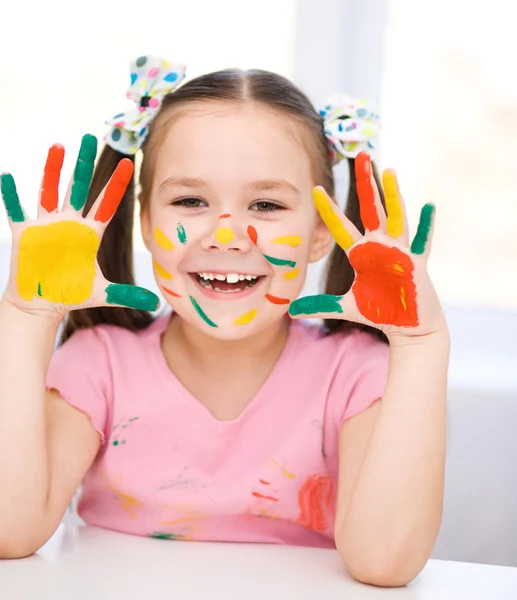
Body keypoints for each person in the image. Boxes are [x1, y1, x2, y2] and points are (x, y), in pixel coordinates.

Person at [0, 55, 449, 587]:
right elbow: (10, 531)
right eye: (191, 200)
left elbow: (386, 563)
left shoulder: (356, 375)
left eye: (265, 204)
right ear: (145, 222)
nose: (227, 233)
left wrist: (422, 344)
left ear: (321, 232)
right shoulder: (99, 362)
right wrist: (24, 318)